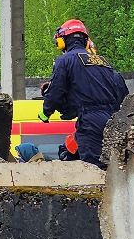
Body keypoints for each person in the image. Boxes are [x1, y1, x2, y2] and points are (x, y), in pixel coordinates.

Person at [39, 19, 127, 168]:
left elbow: (56, 91)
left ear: (63, 40)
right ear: (86, 41)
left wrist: (46, 112)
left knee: (92, 168)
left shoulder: (65, 60)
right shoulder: (104, 63)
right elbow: (122, 92)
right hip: (113, 121)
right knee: (114, 166)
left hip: (90, 121)